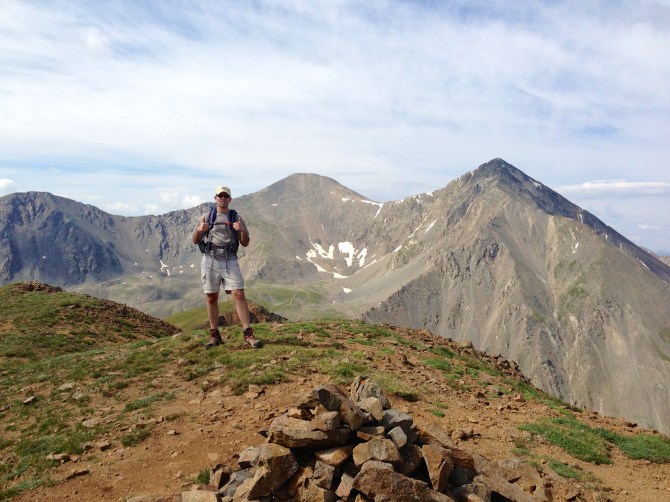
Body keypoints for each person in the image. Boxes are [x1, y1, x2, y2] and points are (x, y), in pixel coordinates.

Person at [191, 185, 262, 349]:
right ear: (215, 198)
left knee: (238, 293)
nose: (222, 198)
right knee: (211, 296)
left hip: (229, 258)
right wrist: (199, 231)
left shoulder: (236, 217)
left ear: (230, 199)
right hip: (210, 259)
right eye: (219, 196)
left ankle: (248, 334)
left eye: (225, 196)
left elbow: (245, 242)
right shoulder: (206, 216)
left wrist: (242, 230)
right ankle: (214, 335)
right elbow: (195, 240)